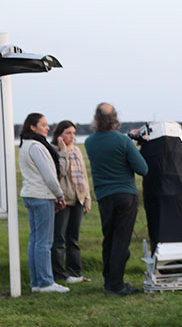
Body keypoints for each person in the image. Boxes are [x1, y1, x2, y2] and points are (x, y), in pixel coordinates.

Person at [84, 103, 148, 296]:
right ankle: (116, 285)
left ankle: (109, 281)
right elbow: (143, 169)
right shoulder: (123, 141)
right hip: (125, 195)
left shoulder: (89, 142)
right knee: (121, 241)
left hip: (104, 196)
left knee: (109, 239)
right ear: (115, 118)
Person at [19, 113, 70, 293]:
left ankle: (37, 283)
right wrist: (60, 195)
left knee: (35, 241)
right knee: (44, 242)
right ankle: (46, 282)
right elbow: (49, 175)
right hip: (41, 196)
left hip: (31, 195)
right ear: (32, 127)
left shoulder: (26, 144)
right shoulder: (37, 146)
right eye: (43, 125)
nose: (47, 128)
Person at [51, 120, 92, 284]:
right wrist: (63, 151)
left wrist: (87, 198)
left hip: (79, 198)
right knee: (59, 238)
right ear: (59, 134)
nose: (72, 136)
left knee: (73, 239)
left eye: (74, 133)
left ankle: (75, 272)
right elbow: (60, 172)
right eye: (68, 133)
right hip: (64, 199)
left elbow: (83, 175)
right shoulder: (54, 150)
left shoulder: (77, 150)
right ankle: (59, 273)